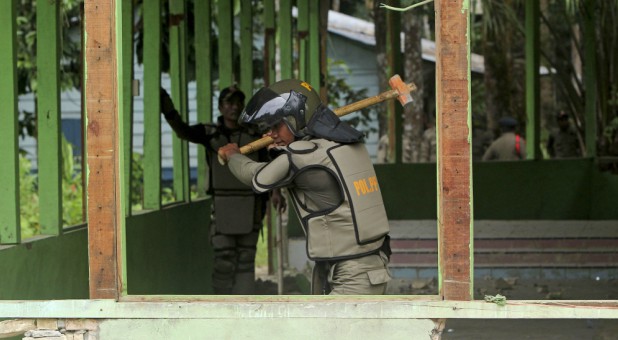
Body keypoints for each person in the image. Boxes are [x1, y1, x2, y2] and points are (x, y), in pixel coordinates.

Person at [218, 79, 392, 295]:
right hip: (369, 267)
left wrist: (233, 155)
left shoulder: (301, 157)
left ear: (296, 119)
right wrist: (283, 146)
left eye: (276, 125)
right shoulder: (348, 143)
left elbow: (255, 176)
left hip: (352, 276)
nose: (271, 133)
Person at [160, 85, 283, 295]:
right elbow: (183, 131)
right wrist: (167, 108)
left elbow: (270, 166)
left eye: (238, 103)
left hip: (251, 205)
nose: (233, 108)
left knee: (246, 261)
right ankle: (221, 306)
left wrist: (276, 191)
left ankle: (245, 306)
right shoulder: (210, 134)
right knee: (223, 262)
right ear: (220, 106)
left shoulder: (255, 135)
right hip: (222, 207)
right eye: (229, 103)